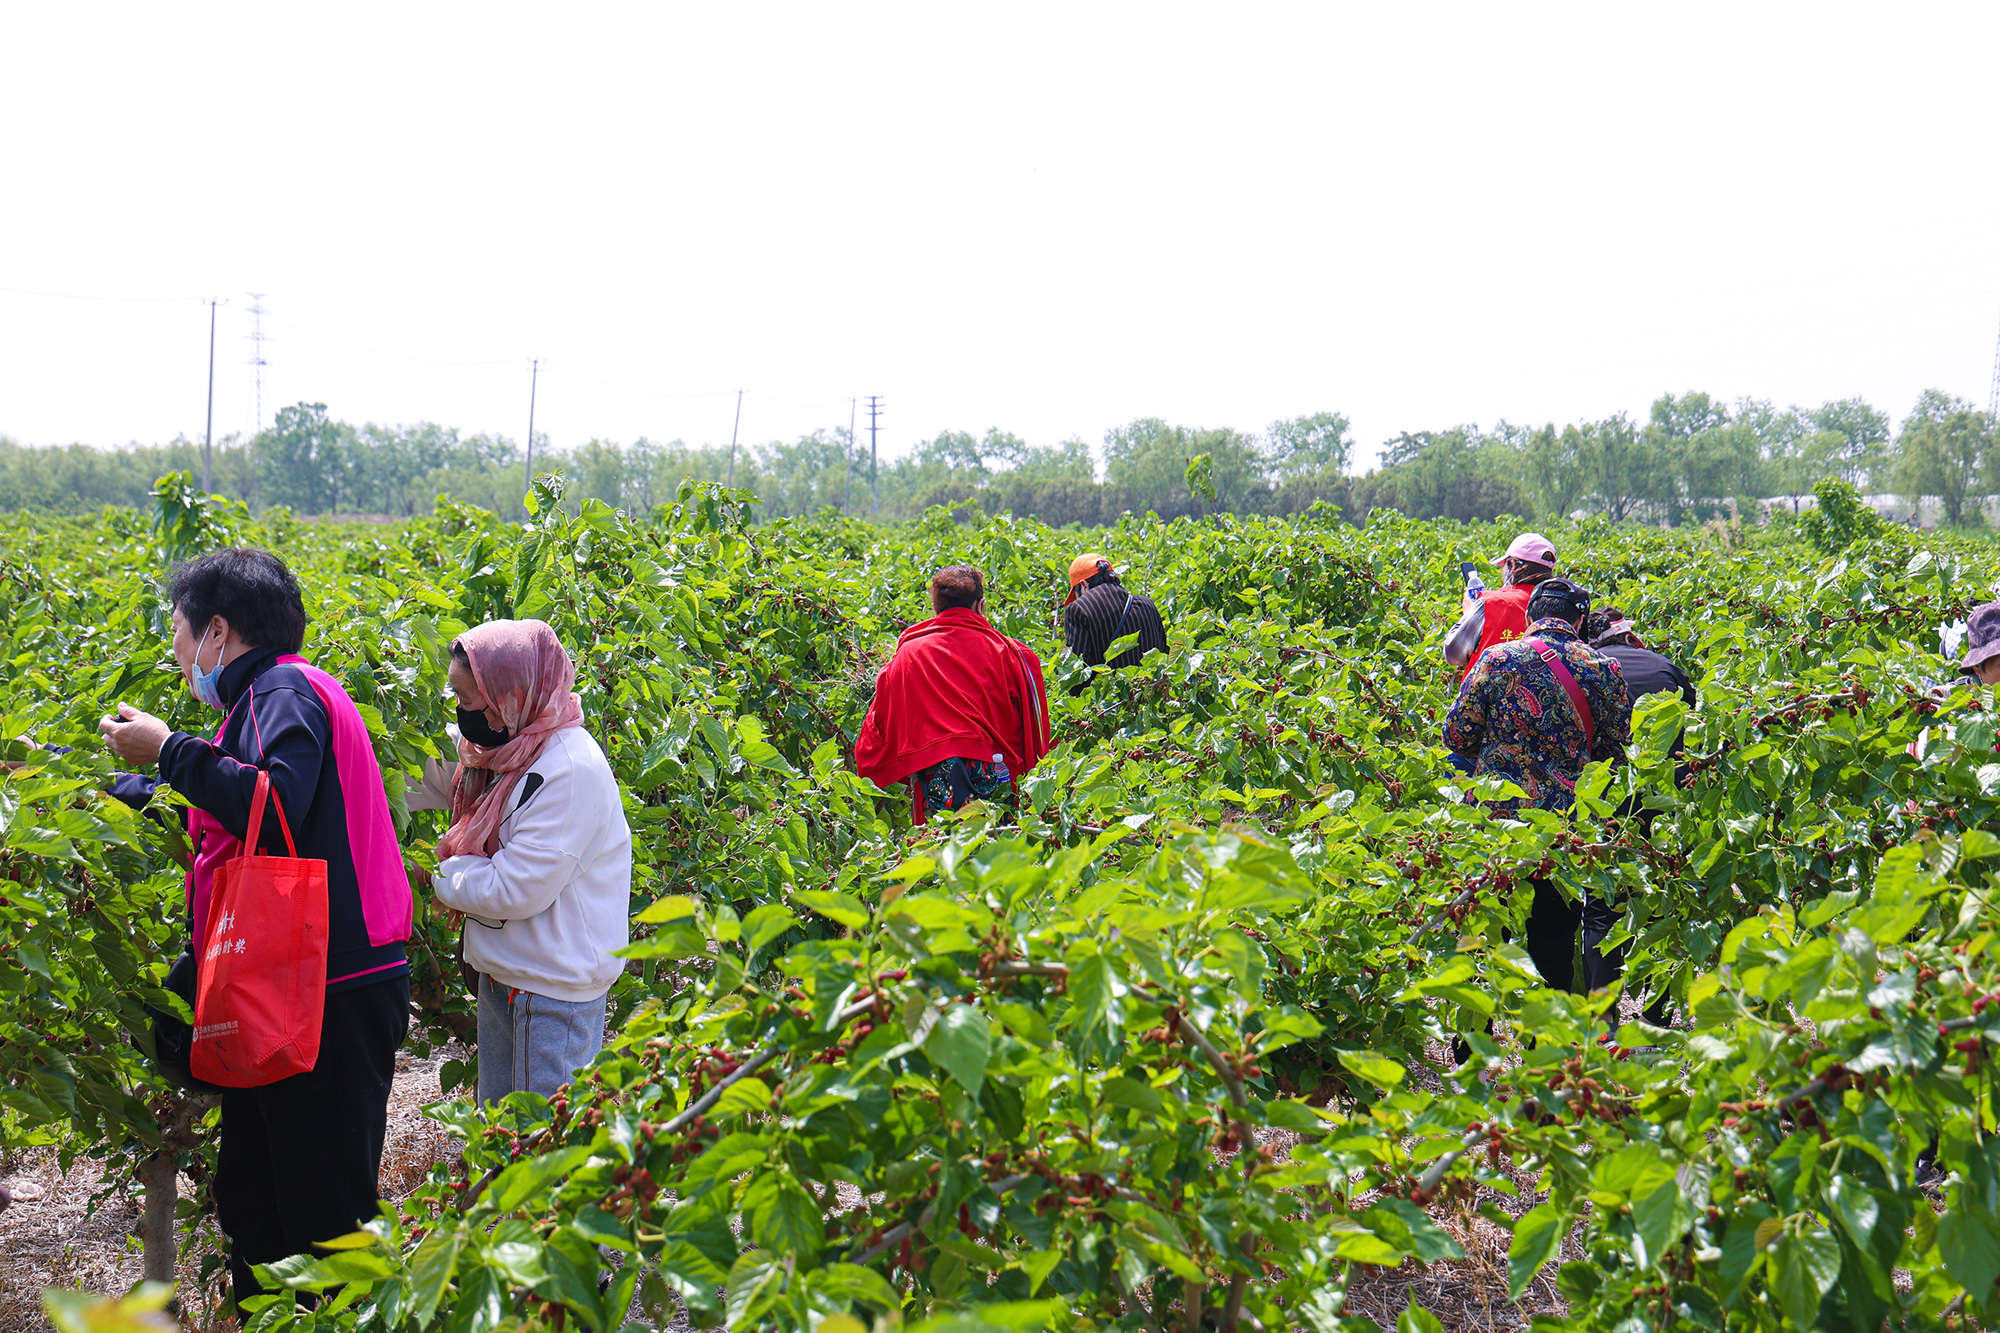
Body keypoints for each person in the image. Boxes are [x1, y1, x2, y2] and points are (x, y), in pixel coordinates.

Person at [98, 548, 411, 1308]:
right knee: (256, 1199)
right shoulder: (257, 705)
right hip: (287, 981)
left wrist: (172, 749)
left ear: (217, 631)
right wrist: (108, 784)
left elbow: (274, 805)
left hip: (329, 986)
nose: (176, 652)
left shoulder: (284, 688)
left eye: (178, 629)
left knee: (325, 1216)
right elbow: (211, 807)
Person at [408, 620, 631, 1107]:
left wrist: (434, 868)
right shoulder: (508, 751)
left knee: (538, 1154)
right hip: (509, 978)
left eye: (470, 700)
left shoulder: (567, 771)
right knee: (502, 1138)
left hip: (551, 996)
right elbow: (428, 771)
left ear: (510, 695)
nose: (464, 714)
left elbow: (515, 889)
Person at [1442, 577, 1632, 997]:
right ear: (1580, 620)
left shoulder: (1495, 659)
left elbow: (1456, 737)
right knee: (1554, 943)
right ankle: (1547, 1048)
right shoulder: (1604, 668)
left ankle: (1473, 1051)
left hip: (1496, 827)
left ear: (1529, 617)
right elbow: (1617, 754)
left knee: (1486, 938)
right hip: (1564, 831)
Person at [855, 564, 1052, 823]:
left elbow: (879, 727)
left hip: (933, 779)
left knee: (941, 855)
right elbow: (1035, 729)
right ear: (980, 605)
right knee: (1001, 857)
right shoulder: (1013, 654)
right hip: (999, 773)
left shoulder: (907, 655)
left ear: (936, 609)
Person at [1577, 604, 1695, 1030]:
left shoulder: (1589, 669)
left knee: (1604, 905)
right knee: (1665, 901)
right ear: (1631, 637)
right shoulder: (1666, 667)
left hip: (1610, 794)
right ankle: (1657, 1016)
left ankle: (1603, 1018)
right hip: (1667, 796)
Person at [1442, 531, 1560, 678]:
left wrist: (1467, 615)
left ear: (1512, 565)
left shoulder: (1490, 603)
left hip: (1488, 698)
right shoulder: (1561, 606)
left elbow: (1453, 654)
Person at [1061, 552, 1168, 694]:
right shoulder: (1147, 603)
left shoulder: (1079, 609)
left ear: (1083, 585)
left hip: (1113, 705)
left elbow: (1077, 676)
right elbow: (1165, 654)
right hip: (1153, 700)